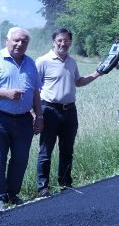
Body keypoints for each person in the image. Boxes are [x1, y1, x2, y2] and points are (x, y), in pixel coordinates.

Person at [0, 27, 43, 214]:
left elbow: (36, 91)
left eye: (24, 41)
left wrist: (39, 115)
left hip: (23, 120)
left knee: (20, 159)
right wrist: (5, 94)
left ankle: (12, 195)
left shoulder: (30, 63)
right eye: (16, 40)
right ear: (7, 40)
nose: (20, 44)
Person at [35, 28, 106, 197]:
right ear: (53, 42)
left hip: (69, 111)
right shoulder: (43, 61)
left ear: (70, 43)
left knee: (67, 150)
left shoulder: (72, 62)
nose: (63, 44)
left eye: (66, 41)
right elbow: (34, 90)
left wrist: (97, 73)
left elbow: (78, 82)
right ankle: (42, 186)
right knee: (46, 151)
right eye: (59, 40)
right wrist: (36, 114)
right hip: (49, 110)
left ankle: (66, 183)